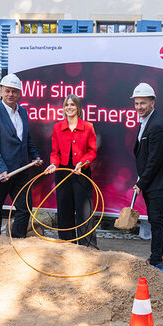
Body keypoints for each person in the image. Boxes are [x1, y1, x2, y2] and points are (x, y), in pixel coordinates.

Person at [0, 73, 42, 237]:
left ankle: (16, 243)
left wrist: (35, 156)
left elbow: (26, 140)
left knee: (24, 207)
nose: (10, 94)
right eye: (7, 91)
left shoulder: (23, 113)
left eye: (14, 91)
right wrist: (1, 169)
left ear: (19, 93)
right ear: (1, 91)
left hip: (19, 170)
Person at [45, 94, 99, 248]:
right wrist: (54, 164)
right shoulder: (57, 127)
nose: (69, 107)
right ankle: (67, 245)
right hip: (62, 172)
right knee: (64, 209)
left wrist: (83, 163)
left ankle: (88, 247)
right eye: (66, 104)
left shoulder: (88, 127)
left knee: (85, 212)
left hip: (81, 172)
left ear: (78, 107)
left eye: (72, 104)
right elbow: (55, 152)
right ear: (63, 108)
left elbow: (92, 151)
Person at [131, 82, 163, 266]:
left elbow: (154, 160)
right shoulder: (146, 121)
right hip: (150, 180)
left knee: (156, 220)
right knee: (153, 219)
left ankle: (156, 260)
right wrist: (142, 178)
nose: (139, 107)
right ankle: (155, 258)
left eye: (143, 103)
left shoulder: (157, 125)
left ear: (152, 102)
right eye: (136, 103)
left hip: (157, 182)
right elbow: (146, 156)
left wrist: (141, 183)